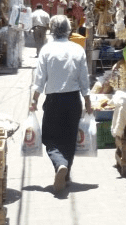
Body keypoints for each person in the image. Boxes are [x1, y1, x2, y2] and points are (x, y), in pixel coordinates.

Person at [30, 15, 93, 193]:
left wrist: (34, 101)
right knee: (69, 138)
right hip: (73, 100)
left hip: (54, 101)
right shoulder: (77, 49)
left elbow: (39, 80)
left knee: (51, 138)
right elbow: (84, 80)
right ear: (68, 30)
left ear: (51, 29)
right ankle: (65, 173)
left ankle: (60, 165)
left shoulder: (46, 50)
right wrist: (88, 102)